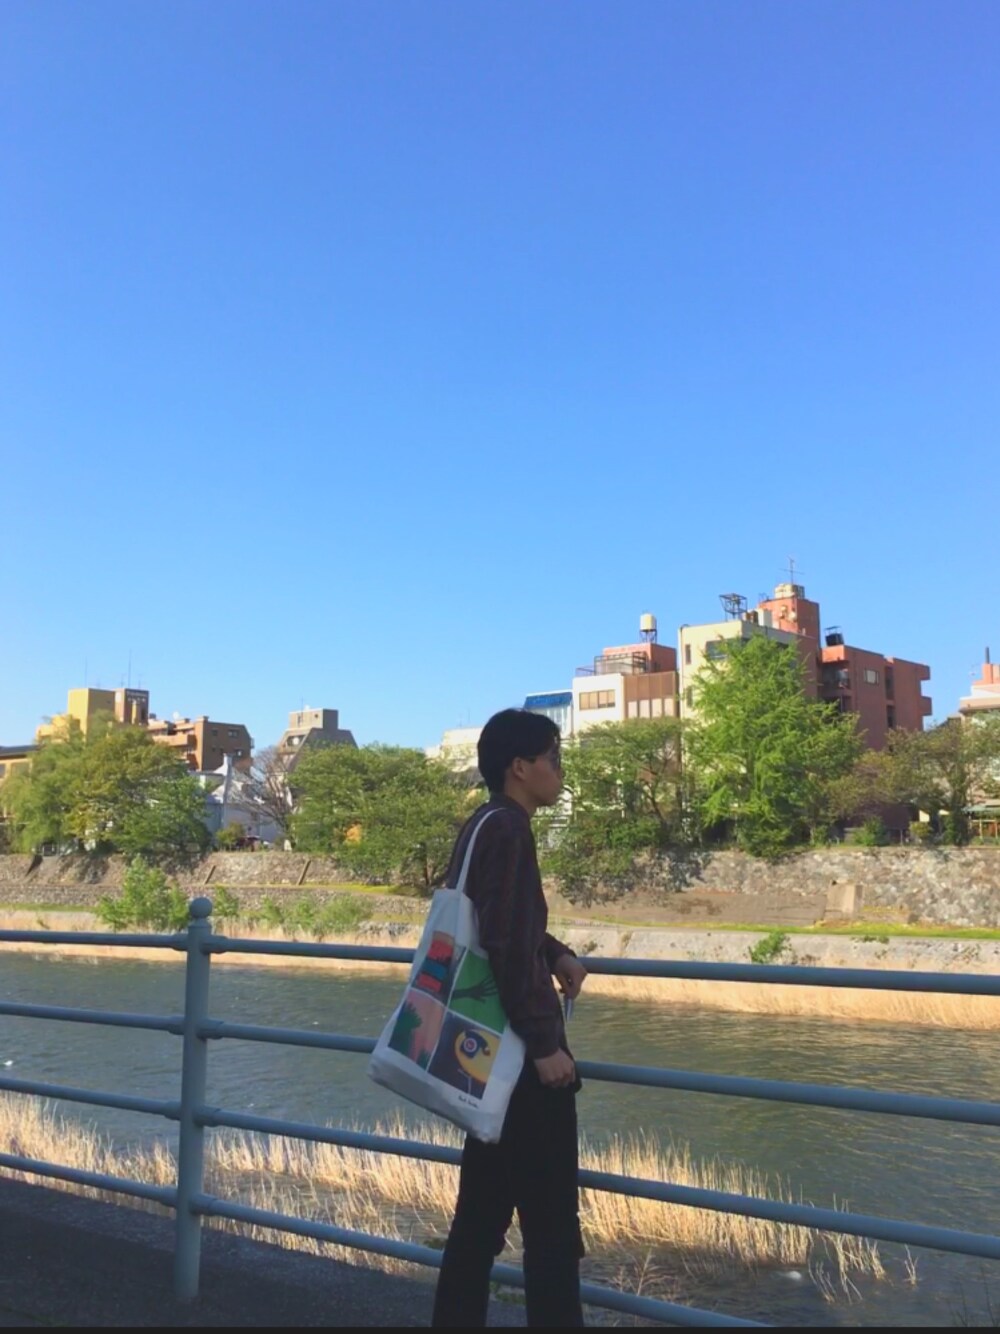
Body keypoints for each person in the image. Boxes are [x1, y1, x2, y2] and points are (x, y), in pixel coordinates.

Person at [431, 708, 588, 1329]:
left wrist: (554, 951)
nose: (560, 770)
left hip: (484, 1050)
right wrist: (546, 1043)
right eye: (554, 758)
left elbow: (496, 922)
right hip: (521, 1060)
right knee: (551, 1229)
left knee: (479, 1219)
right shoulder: (510, 830)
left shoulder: (483, 823)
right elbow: (504, 940)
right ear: (520, 767)